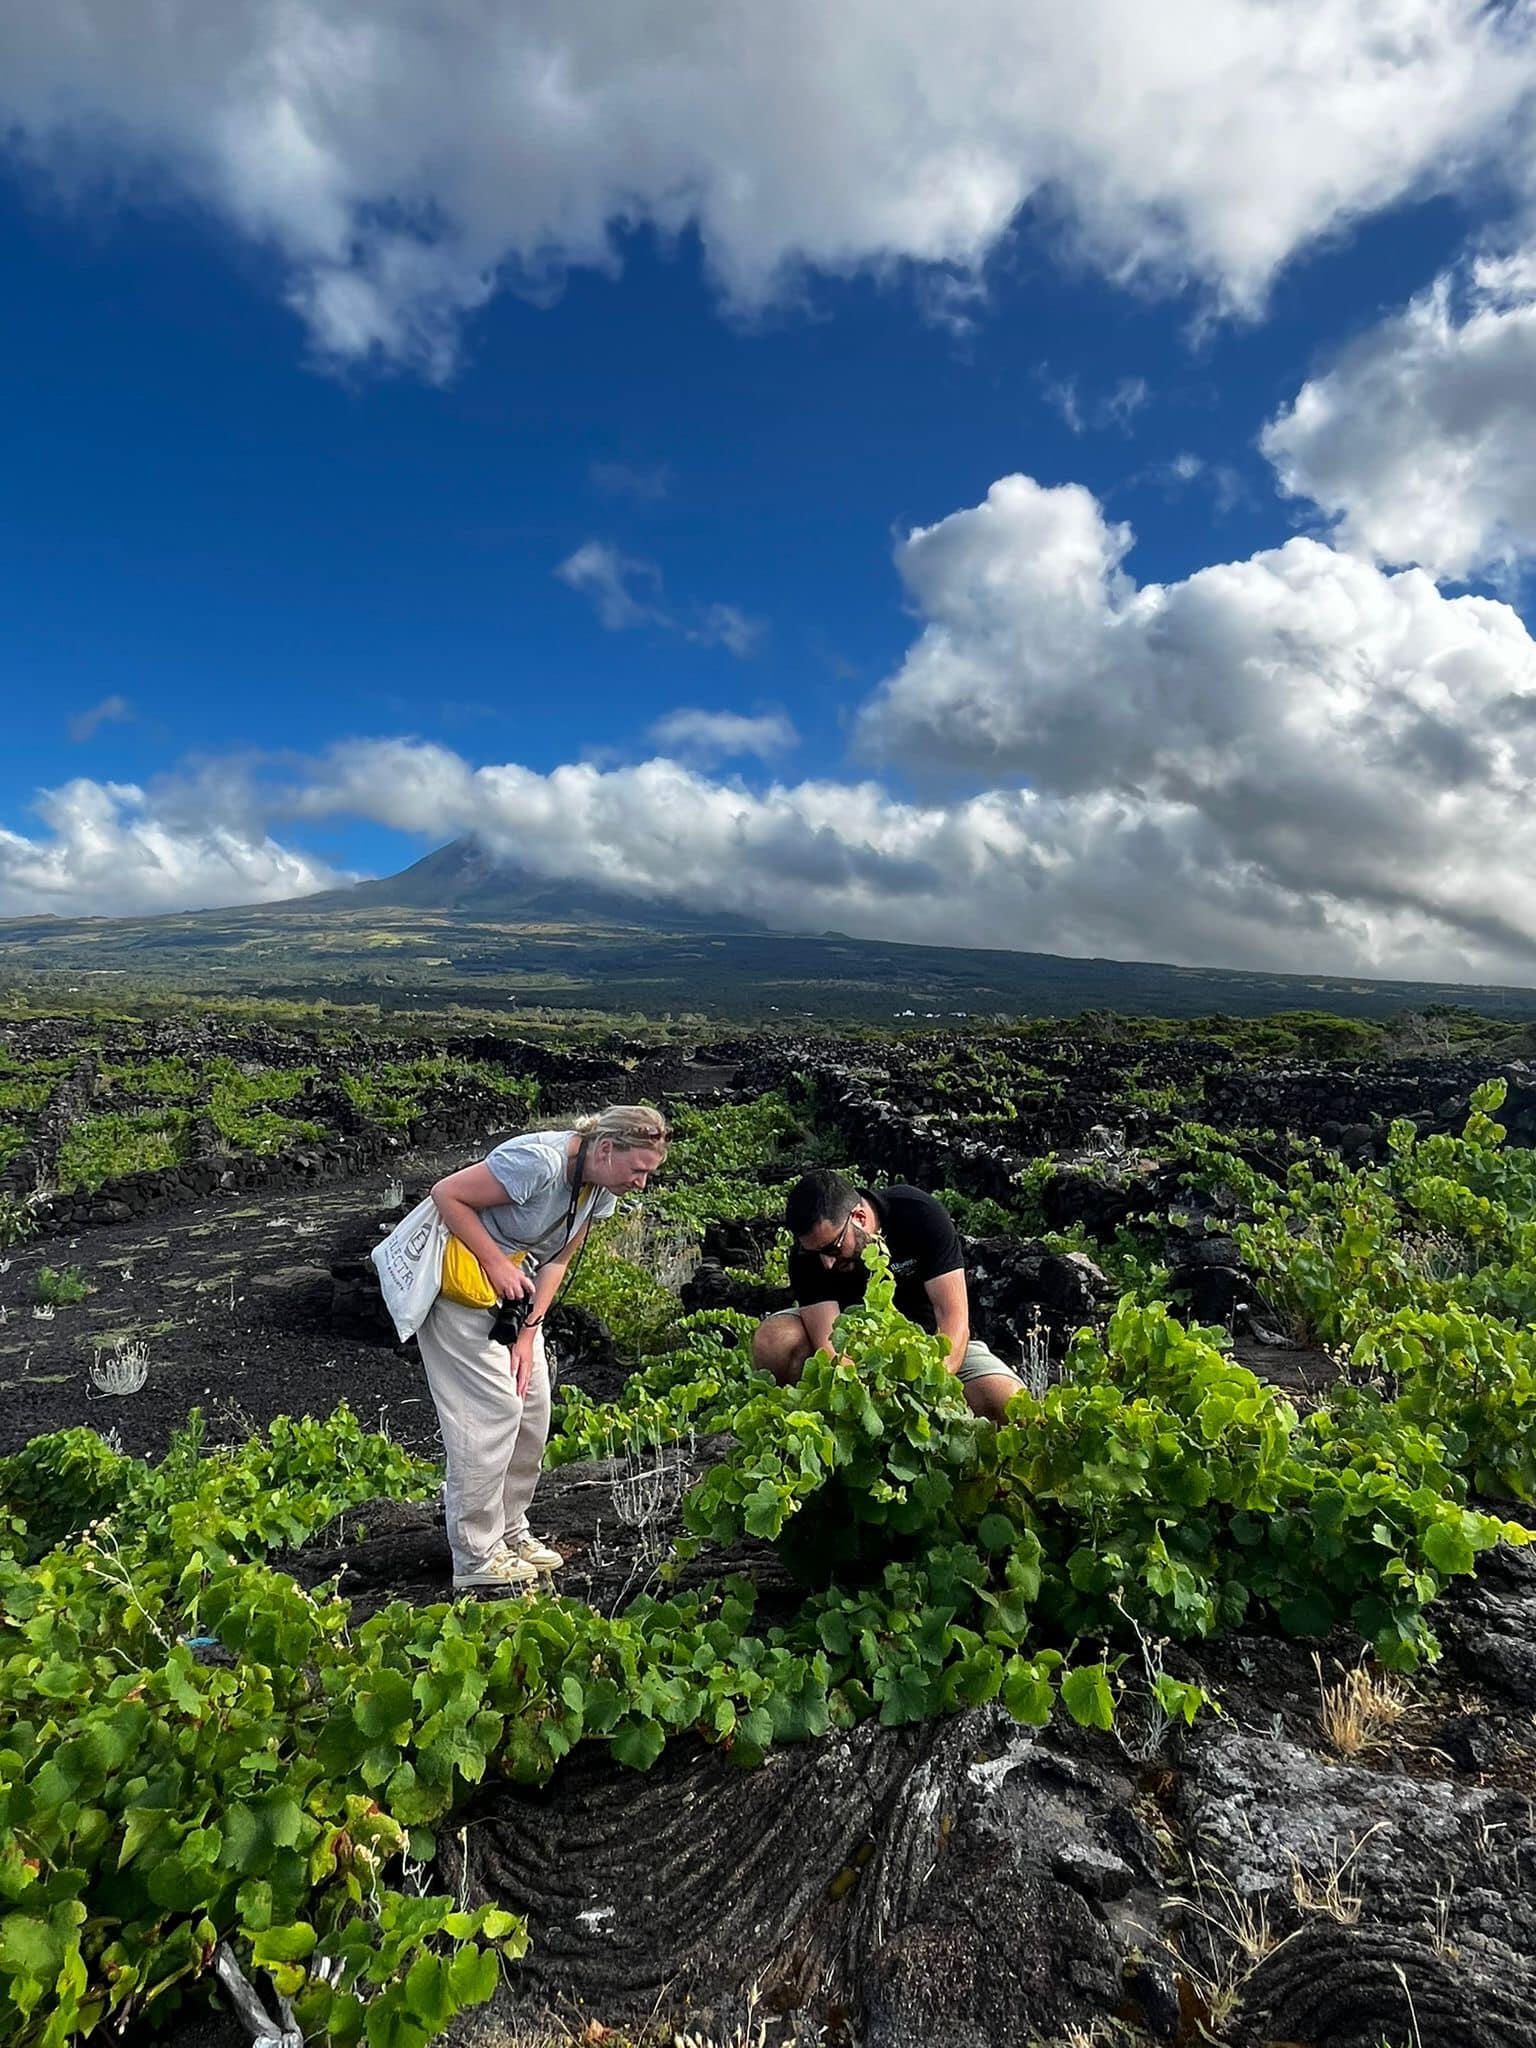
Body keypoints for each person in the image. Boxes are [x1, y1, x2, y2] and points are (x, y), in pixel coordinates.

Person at [420, 1104, 669, 1592]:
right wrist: (496, 1264)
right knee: (491, 1411)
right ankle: (475, 1554)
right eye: (638, 1170)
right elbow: (446, 1194)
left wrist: (530, 1333)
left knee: (533, 1405)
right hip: (460, 1286)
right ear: (605, 1148)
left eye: (648, 1174)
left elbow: (556, 1261)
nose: (641, 1183)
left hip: (513, 1297)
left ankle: (511, 1530)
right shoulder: (538, 1162)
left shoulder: (598, 1187)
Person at [752, 1168, 1025, 1422]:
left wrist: (927, 1388)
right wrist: (875, 1401)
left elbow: (953, 1320)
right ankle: (816, 1421)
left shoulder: (919, 1213)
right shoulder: (808, 1254)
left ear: (859, 1218)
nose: (827, 1263)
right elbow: (831, 1345)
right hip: (855, 1349)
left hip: (927, 1344)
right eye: (816, 1253)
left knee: (1009, 1401)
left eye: (833, 1248)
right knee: (775, 1340)